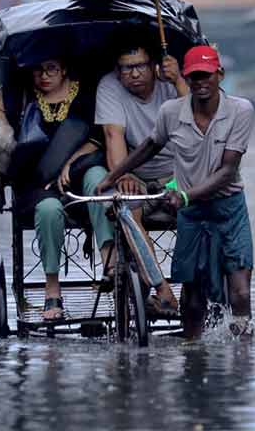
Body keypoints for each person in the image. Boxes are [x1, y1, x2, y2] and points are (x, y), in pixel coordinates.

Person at [96, 46, 255, 339]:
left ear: (220, 74)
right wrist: (113, 175)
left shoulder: (240, 110)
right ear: (186, 79)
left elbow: (227, 170)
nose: (200, 83)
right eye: (193, 77)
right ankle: (192, 354)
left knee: (241, 292)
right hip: (193, 214)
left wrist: (184, 196)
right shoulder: (171, 112)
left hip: (228, 207)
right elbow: (149, 146)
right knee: (192, 299)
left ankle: (243, 354)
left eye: (206, 76)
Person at [71, 37, 187, 315]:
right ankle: (163, 291)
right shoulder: (110, 86)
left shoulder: (172, 82)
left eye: (141, 66)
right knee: (125, 209)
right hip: (136, 175)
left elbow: (196, 119)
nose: (134, 74)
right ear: (117, 70)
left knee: (199, 213)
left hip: (177, 175)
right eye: (126, 68)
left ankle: (194, 284)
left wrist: (179, 81)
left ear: (155, 66)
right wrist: (123, 174)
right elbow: (114, 135)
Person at [1, 57, 113, 321]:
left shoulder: (86, 96)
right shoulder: (23, 100)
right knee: (49, 209)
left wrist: (71, 164)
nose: (44, 75)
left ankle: (110, 261)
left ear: (64, 69)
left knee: (99, 178)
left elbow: (99, 140)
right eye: (38, 69)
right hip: (38, 184)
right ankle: (52, 286)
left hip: (80, 174)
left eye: (51, 68)